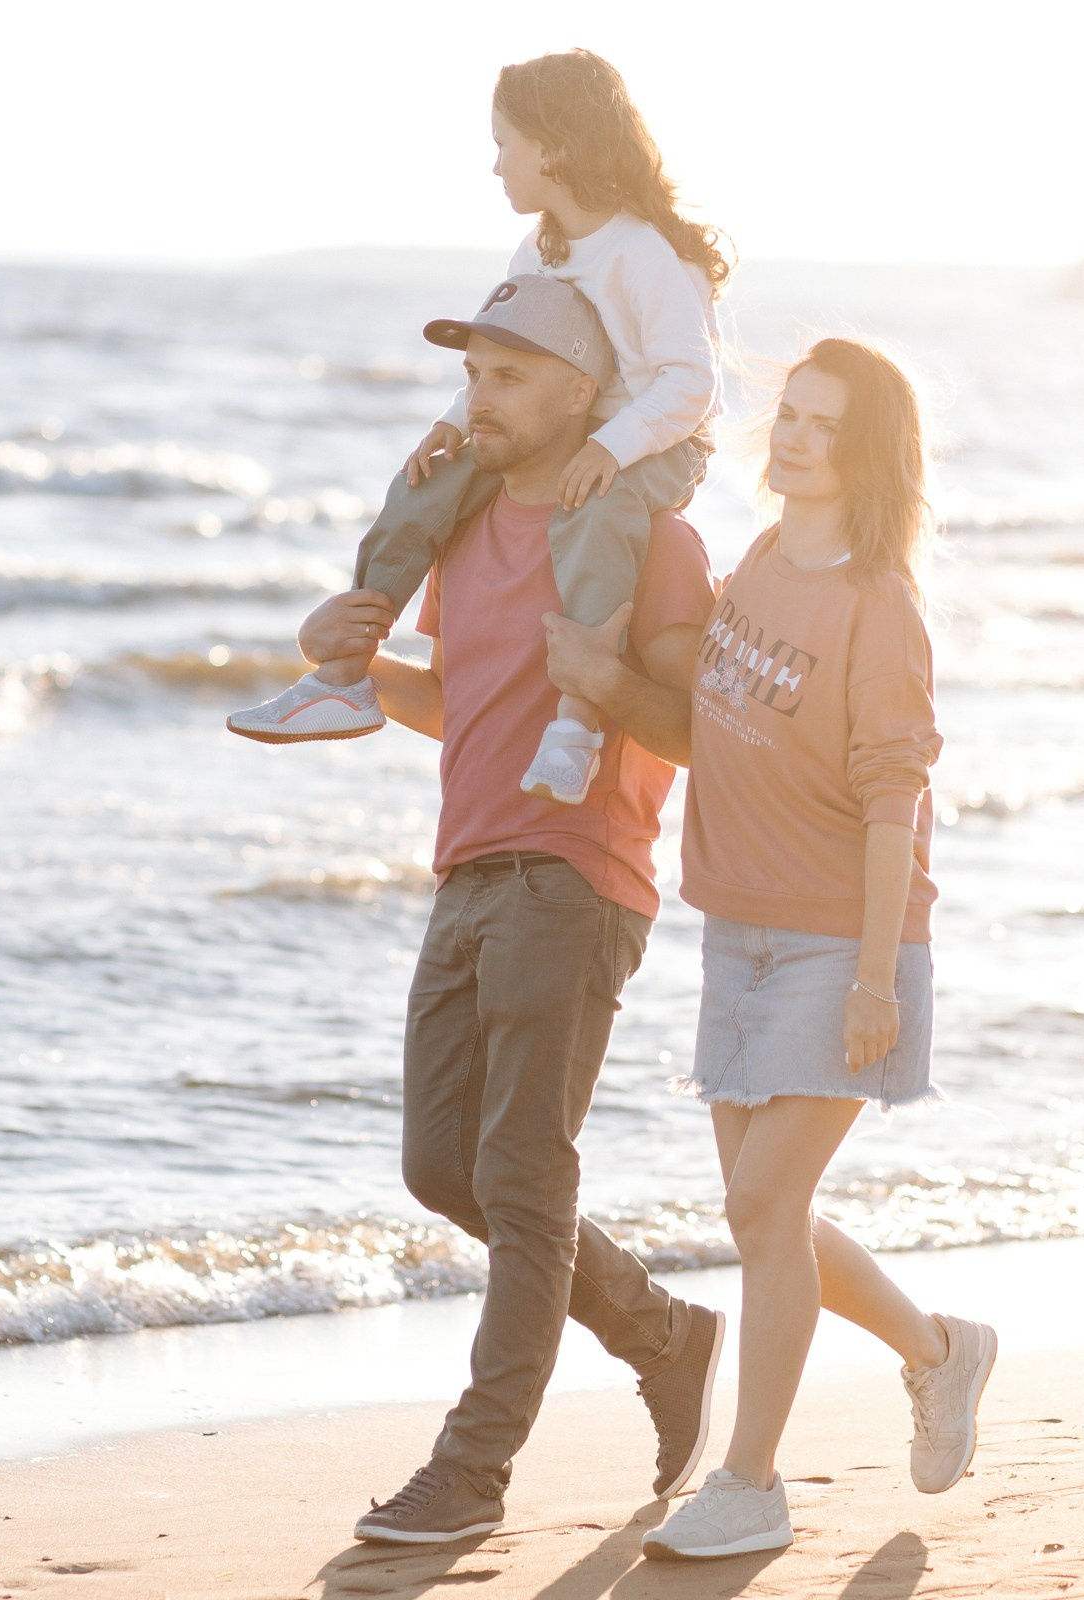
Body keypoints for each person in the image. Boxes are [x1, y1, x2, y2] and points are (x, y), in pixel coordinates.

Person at [541, 338, 998, 1562]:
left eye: (823, 424)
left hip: (838, 947)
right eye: (788, 413)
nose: (792, 435)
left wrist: (869, 979)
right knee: (768, 1217)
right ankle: (942, 1352)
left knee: (760, 1200)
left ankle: (751, 1482)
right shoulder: (754, 562)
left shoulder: (879, 607)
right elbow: (717, 733)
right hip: (734, 934)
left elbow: (896, 798)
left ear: (866, 455)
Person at [293, 279, 727, 1545]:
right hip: (468, 867)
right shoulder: (468, 520)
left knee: (523, 1175)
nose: (477, 398)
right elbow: (465, 695)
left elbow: (695, 729)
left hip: (579, 870)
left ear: (583, 397)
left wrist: (604, 684)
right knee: (447, 1166)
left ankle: (471, 1472)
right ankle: (666, 1333)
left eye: (509, 377)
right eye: (472, 373)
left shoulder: (650, 536)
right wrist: (351, 660)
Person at [229, 48, 725, 808]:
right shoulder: (543, 246)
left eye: (504, 145)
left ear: (553, 149)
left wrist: (609, 446)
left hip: (659, 435)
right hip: (572, 425)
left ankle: (576, 723)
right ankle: (344, 676)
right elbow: (512, 354)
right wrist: (451, 423)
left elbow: (692, 382)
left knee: (600, 508)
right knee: (425, 487)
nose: (496, 167)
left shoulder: (639, 253)